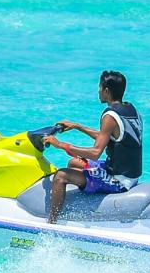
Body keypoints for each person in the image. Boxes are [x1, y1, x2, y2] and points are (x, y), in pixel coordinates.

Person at [43, 70, 143, 223]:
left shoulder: (110, 116)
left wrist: (61, 144)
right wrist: (77, 126)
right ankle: (77, 205)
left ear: (106, 91)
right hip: (128, 174)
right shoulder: (130, 109)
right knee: (74, 162)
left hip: (119, 181)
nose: (98, 91)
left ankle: (52, 224)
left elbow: (96, 152)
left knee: (61, 175)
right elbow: (107, 136)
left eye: (100, 87)